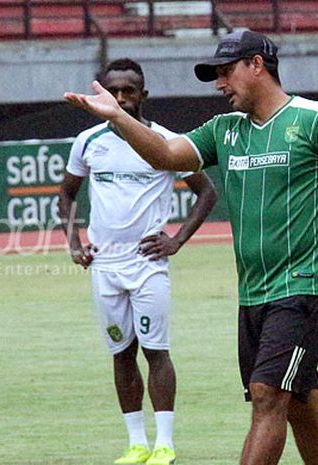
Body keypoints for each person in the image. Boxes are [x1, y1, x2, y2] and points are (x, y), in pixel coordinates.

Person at [64, 31, 318, 465]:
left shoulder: (310, 120)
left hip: (302, 287)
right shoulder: (224, 130)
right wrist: (119, 118)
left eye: (225, 72)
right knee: (297, 402)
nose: (219, 84)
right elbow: (163, 154)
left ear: (257, 65)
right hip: (254, 293)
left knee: (267, 395)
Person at [58, 58, 217, 465]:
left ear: (144, 95)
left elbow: (206, 192)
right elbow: (67, 195)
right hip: (105, 266)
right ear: (103, 95)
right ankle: (136, 444)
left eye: (131, 91)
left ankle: (165, 444)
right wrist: (75, 243)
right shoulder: (88, 142)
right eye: (115, 91)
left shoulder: (164, 141)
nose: (123, 98)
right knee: (121, 352)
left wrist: (177, 239)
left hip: (147, 264)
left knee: (156, 351)